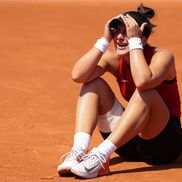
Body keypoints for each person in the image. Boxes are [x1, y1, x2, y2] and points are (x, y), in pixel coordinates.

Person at [57, 4, 182, 179]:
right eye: (117, 31)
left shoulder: (162, 56)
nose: (121, 38)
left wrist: (135, 42)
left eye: (127, 33)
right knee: (92, 84)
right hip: (129, 142)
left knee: (145, 92)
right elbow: (78, 75)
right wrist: (104, 39)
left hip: (163, 145)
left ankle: (100, 156)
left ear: (142, 38)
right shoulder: (115, 58)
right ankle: (78, 151)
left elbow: (143, 81)